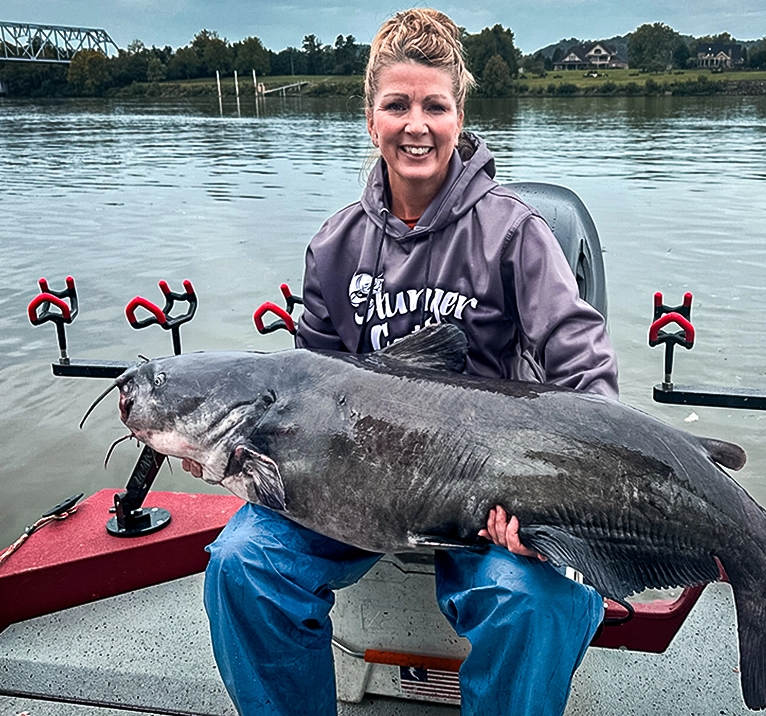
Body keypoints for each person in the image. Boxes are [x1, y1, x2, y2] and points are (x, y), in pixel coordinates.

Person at [200, 8, 618, 715]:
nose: (415, 124)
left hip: (488, 493)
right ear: (371, 119)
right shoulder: (334, 245)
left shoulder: (518, 233)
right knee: (242, 564)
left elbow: (585, 370)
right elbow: (304, 391)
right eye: (397, 105)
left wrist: (569, 496)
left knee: (536, 601)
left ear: (459, 115)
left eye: (434, 104)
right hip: (355, 488)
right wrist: (234, 450)